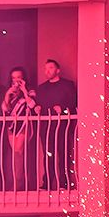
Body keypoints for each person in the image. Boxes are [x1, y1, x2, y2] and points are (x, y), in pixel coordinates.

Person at [35, 58, 78, 188]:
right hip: (46, 127)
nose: (47, 71)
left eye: (51, 68)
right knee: (48, 155)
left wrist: (63, 109)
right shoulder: (41, 88)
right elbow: (38, 106)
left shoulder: (67, 85)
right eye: (46, 68)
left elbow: (73, 104)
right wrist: (37, 108)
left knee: (63, 153)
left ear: (58, 70)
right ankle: (47, 183)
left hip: (62, 127)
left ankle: (64, 183)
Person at [2, 65, 40, 190]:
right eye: (13, 78)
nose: (16, 80)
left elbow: (32, 105)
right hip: (12, 126)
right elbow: (5, 109)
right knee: (15, 154)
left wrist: (24, 90)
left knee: (18, 151)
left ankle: (19, 184)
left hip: (24, 124)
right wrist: (7, 94)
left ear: (23, 78)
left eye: (19, 77)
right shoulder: (11, 93)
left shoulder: (31, 91)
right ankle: (13, 183)